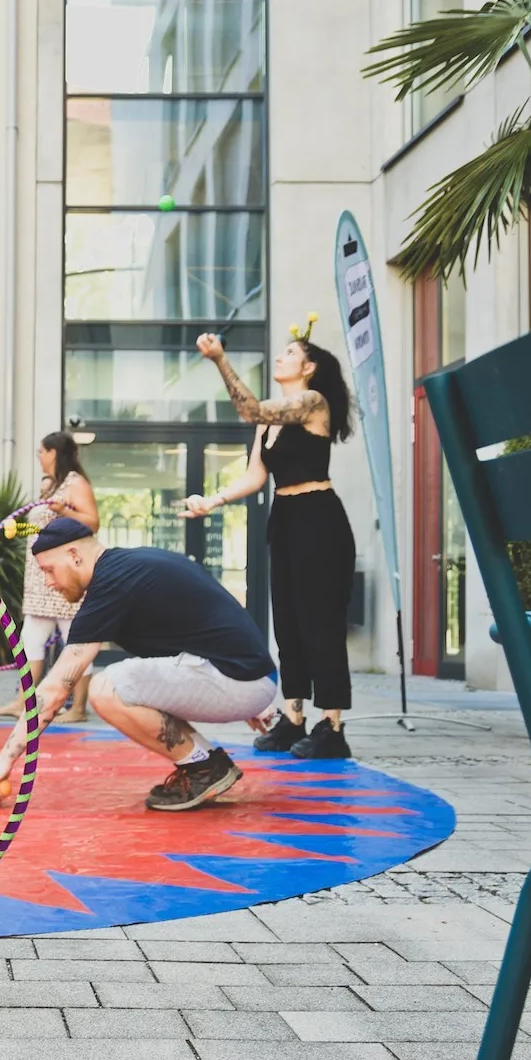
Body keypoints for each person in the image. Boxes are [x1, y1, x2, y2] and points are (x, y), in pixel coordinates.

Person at [0, 518, 278, 812]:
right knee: (130, 684)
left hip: (241, 681)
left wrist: (3, 763)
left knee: (107, 688)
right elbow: (201, 621)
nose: (48, 583)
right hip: (246, 677)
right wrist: (246, 679)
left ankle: (204, 768)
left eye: (49, 570)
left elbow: (55, 691)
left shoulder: (111, 582)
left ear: (74, 555)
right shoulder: (130, 566)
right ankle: (207, 761)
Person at [185, 313, 357, 760]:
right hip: (285, 518)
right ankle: (293, 718)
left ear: (309, 368)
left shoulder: (313, 403)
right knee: (288, 622)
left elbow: (249, 408)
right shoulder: (269, 422)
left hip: (319, 517)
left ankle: (332, 726)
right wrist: (212, 500)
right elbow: (254, 477)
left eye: (290, 353)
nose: (280, 357)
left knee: (320, 622)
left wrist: (220, 360)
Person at [0, 430, 99, 722]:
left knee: (75, 642)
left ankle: (78, 708)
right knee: (30, 640)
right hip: (41, 579)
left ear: (53, 452)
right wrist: (20, 529)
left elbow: (92, 522)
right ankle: (23, 702)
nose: (39, 457)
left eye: (41, 451)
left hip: (65, 577)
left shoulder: (75, 483)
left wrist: (65, 510)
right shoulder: (52, 485)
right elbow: (46, 526)